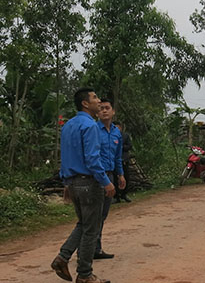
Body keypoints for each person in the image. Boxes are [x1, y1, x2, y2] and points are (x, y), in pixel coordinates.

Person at [51, 88, 114, 283]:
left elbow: (66, 156)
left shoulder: (69, 125)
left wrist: (67, 182)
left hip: (74, 183)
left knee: (84, 224)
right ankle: (85, 274)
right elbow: (93, 160)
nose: (98, 101)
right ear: (85, 103)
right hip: (89, 184)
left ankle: (62, 258)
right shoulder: (90, 126)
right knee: (91, 229)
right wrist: (106, 182)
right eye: (95, 98)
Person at [94, 98, 126, 259]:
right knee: (94, 214)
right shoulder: (93, 130)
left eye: (107, 108)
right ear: (97, 113)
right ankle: (87, 249)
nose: (104, 111)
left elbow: (117, 157)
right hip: (96, 178)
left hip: (110, 175)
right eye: (101, 109)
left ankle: (96, 248)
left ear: (113, 111)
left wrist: (120, 175)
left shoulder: (116, 132)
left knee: (103, 214)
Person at [114, 121, 132, 203]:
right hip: (114, 161)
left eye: (118, 127)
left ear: (121, 127)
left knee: (126, 177)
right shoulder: (111, 136)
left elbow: (129, 146)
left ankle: (124, 194)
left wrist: (120, 147)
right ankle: (116, 196)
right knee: (115, 178)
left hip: (124, 159)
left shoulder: (125, 136)